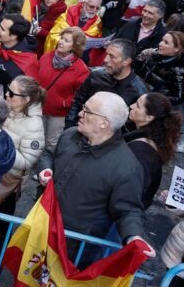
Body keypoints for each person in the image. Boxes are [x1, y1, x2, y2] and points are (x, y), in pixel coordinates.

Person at [37, 92, 155, 264]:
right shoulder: (70, 135)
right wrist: (46, 168)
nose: (79, 113)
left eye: (87, 111)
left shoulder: (127, 168)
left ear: (104, 123)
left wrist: (133, 237)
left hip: (74, 248)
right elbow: (49, 154)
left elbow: (128, 210)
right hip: (42, 224)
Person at [0, 76, 45, 283]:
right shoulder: (9, 107)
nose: (6, 95)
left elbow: (28, 160)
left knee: (1, 225)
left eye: (11, 93)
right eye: (7, 90)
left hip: (8, 182)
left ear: (26, 99)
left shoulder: (34, 125)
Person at [65, 38, 148, 128]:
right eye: (106, 54)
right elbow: (78, 101)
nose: (105, 60)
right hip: (81, 130)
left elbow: (134, 123)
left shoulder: (138, 91)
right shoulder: (95, 75)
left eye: (112, 56)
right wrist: (69, 126)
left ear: (126, 61)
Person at [37, 27, 90, 150]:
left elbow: (80, 94)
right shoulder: (46, 57)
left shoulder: (81, 69)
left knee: (51, 143)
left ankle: (48, 168)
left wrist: (63, 102)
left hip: (58, 115)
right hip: (38, 107)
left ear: (75, 46)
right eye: (61, 38)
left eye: (67, 40)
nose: (61, 42)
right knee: (37, 138)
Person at [126, 93, 182, 208]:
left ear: (149, 117)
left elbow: (130, 194)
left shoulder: (141, 154)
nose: (131, 106)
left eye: (137, 105)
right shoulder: (150, 137)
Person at [0, 14, 39, 94]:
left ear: (13, 36)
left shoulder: (29, 62)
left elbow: (29, 93)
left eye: (2, 29)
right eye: (0, 26)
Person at [44, 0, 103, 64]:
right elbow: (54, 35)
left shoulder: (97, 22)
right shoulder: (69, 13)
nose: (94, 11)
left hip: (79, 60)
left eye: (97, 8)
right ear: (83, 3)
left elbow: (95, 47)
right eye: (91, 7)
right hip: (59, 57)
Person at [136, 31, 184, 106]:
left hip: (150, 105)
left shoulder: (178, 70)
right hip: (138, 93)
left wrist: (153, 101)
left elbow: (178, 97)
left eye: (166, 42)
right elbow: (139, 72)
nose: (160, 43)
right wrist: (140, 59)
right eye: (162, 40)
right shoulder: (154, 55)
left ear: (176, 49)